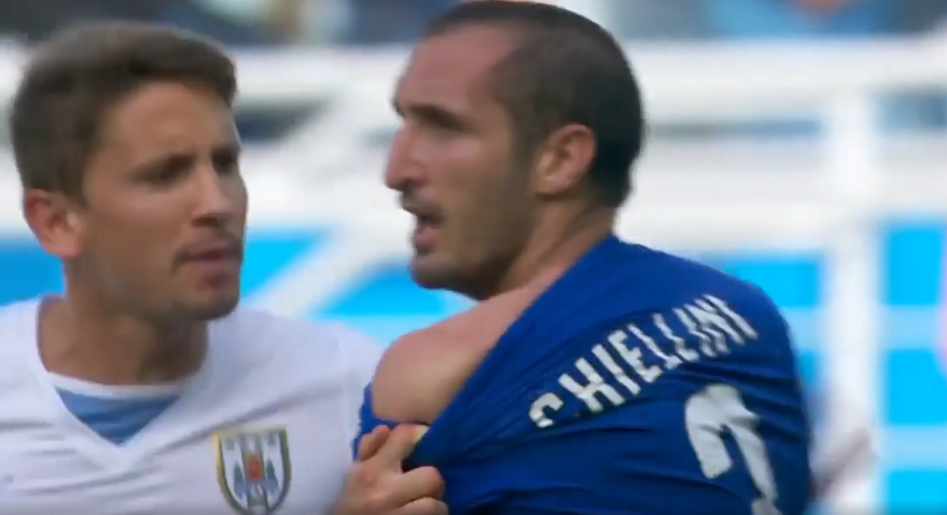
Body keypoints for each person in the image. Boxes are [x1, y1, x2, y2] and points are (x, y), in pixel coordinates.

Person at [356, 1, 813, 514]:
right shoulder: (745, 316)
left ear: (561, 159)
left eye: (443, 127)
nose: (397, 170)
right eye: (403, 124)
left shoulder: (431, 373)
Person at [0, 22, 444, 515]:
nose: (217, 203)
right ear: (57, 222)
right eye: (165, 175)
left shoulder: (347, 383)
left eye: (226, 164)